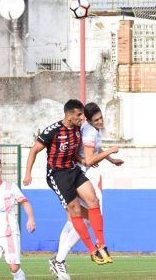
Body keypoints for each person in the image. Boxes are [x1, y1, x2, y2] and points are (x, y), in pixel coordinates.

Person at [23, 99, 112, 280]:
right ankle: (89, 252)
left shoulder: (79, 129)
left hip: (73, 170)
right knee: (76, 212)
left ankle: (100, 246)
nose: (82, 118)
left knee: (94, 201)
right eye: (79, 115)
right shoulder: (53, 131)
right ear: (69, 115)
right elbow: (33, 151)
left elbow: (76, 153)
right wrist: (28, 174)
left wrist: (84, 161)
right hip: (57, 175)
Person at [48, 102, 124, 280]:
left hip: (76, 175)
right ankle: (59, 260)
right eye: (96, 119)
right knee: (88, 218)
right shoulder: (89, 131)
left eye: (101, 118)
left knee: (74, 219)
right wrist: (109, 152)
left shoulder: (90, 130)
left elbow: (93, 149)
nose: (100, 122)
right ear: (88, 120)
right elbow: (89, 159)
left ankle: (59, 260)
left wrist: (110, 159)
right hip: (81, 176)